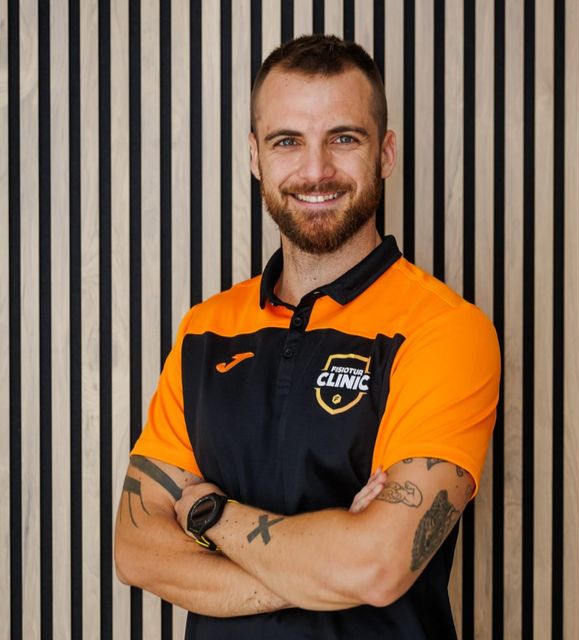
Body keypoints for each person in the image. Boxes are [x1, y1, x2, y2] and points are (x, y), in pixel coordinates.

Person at [114, 34, 500, 639]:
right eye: (287, 141)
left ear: (386, 153)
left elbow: (376, 567)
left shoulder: (445, 330)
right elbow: (137, 550)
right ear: (255, 156)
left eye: (343, 139)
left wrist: (205, 512)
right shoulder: (206, 329)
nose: (315, 170)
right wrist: (327, 569)